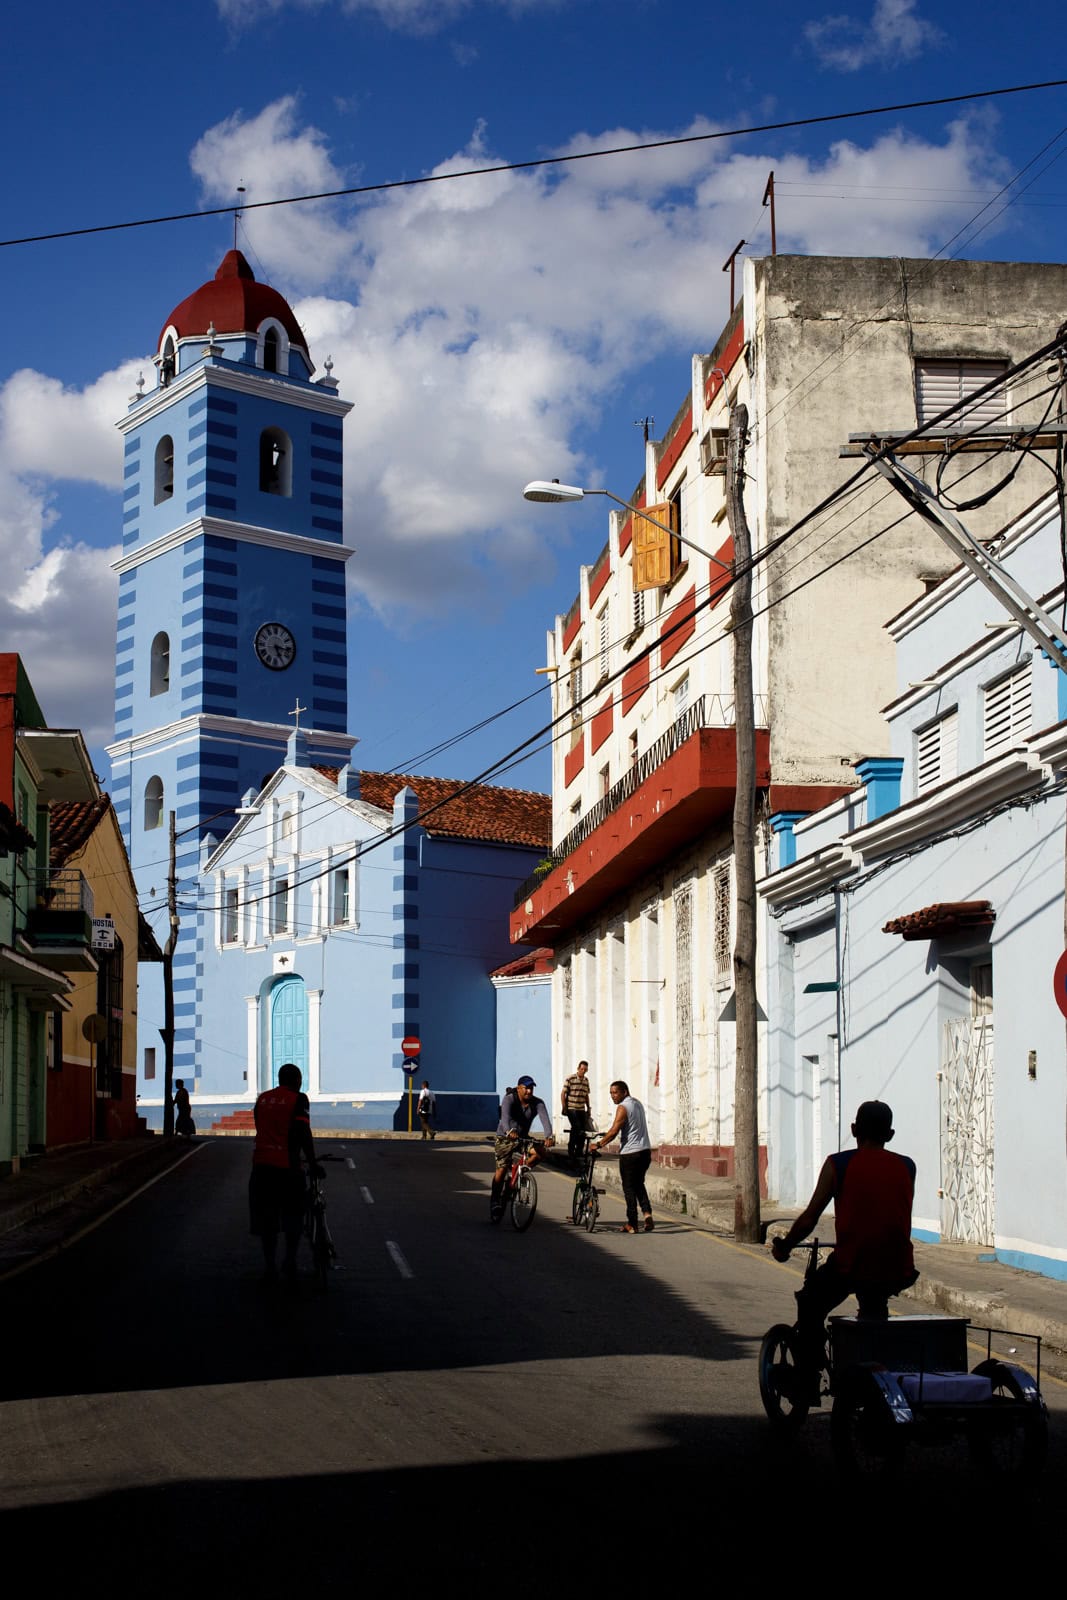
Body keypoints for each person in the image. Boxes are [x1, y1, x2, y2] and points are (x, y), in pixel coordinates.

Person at [771, 1099, 919, 1387]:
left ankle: (808, 1375)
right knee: (874, 1309)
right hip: (897, 1267)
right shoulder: (907, 1166)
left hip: (852, 1264)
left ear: (853, 1130)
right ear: (889, 1135)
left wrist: (786, 1245)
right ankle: (874, 1370)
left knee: (811, 1303)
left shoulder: (839, 1164)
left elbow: (808, 1219)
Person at [248, 1062, 321, 1284]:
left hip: (261, 1167)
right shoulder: (299, 1099)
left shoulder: (262, 1099)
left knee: (267, 1220)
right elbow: (302, 1132)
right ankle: (289, 1260)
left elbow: (261, 1127)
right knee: (293, 1217)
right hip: (287, 1168)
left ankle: (270, 1265)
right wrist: (312, 1162)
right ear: (297, 1080)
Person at [592, 1080, 653, 1234]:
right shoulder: (637, 1104)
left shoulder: (623, 1107)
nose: (613, 1096)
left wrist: (598, 1144)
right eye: (611, 1093)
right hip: (645, 1151)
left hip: (630, 1154)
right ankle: (647, 1215)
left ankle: (632, 1223)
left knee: (629, 1188)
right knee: (639, 1183)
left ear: (625, 1092)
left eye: (615, 1093)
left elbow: (613, 1132)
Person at [492, 1075, 554, 1218]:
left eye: (531, 1088)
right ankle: (495, 1200)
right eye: (526, 1088)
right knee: (501, 1170)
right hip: (505, 1138)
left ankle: (520, 1172)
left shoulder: (538, 1103)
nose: (529, 1091)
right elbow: (505, 1117)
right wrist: (509, 1131)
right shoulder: (510, 1099)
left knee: (540, 1153)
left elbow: (545, 1120)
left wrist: (549, 1137)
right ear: (519, 1088)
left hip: (523, 1138)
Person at [561, 1059, 592, 1166]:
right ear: (578, 1068)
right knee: (576, 1126)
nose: (583, 1071)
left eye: (585, 1069)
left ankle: (579, 1150)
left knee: (582, 1129)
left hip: (581, 1108)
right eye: (582, 1069)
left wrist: (588, 1108)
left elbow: (586, 1095)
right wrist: (564, 1106)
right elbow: (563, 1093)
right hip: (571, 1107)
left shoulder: (586, 1081)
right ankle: (571, 1149)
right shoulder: (570, 1078)